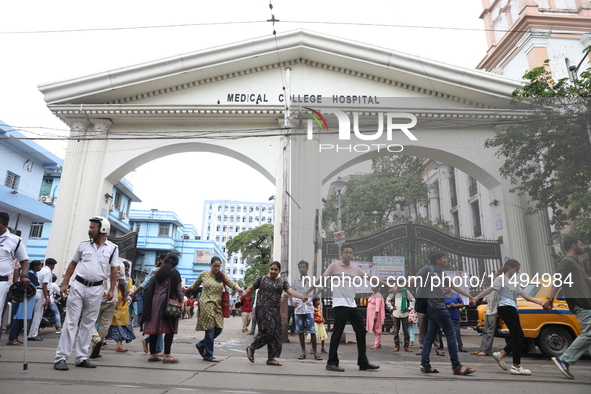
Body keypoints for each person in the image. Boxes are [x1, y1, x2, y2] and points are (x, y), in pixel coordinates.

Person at [54, 216, 119, 371]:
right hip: (78, 286)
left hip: (97, 289)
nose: (89, 230)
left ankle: (82, 357)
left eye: (92, 228)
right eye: (90, 227)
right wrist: (65, 283)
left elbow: (114, 269)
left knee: (88, 323)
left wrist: (111, 290)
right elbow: (73, 263)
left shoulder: (113, 248)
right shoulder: (83, 245)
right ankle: (61, 357)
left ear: (102, 229)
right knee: (71, 322)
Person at [308, 244, 382, 372]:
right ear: (341, 254)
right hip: (340, 304)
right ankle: (331, 362)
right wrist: (306, 292)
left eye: (350, 253)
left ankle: (363, 362)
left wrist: (390, 284)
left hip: (352, 305)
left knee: (361, 331)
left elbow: (371, 278)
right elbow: (321, 279)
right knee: (337, 332)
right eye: (346, 252)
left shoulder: (355, 269)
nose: (348, 255)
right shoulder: (334, 266)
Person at [474, 259, 545, 375]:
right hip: (505, 308)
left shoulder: (514, 282)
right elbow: (489, 289)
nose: (518, 272)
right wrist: (476, 298)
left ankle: (503, 354)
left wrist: (541, 303)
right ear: (509, 267)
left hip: (512, 309)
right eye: (516, 269)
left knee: (518, 336)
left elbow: (526, 296)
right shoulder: (501, 279)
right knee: (518, 336)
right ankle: (515, 365)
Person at [418, 251, 475, 375]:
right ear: (438, 260)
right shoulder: (428, 269)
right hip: (437, 307)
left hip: (434, 308)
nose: (446, 259)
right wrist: (398, 285)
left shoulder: (440, 273)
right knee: (451, 334)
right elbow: (415, 279)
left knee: (430, 336)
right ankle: (456, 366)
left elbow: (454, 286)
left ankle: (425, 364)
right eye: (444, 258)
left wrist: (470, 296)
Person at [542, 237, 591, 379]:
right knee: (590, 332)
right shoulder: (567, 261)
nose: (583, 247)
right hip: (580, 303)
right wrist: (550, 300)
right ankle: (564, 359)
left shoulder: (576, 263)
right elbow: (557, 281)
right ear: (574, 245)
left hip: (586, 303)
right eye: (581, 244)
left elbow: (586, 284)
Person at [244, 261, 308, 366]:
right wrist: (243, 295)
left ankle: (271, 358)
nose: (273, 271)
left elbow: (290, 291)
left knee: (276, 334)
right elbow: (251, 288)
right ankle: (252, 348)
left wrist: (302, 296)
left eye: (276, 270)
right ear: (269, 269)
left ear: (279, 271)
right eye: (271, 269)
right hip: (263, 308)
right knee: (268, 330)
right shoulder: (262, 279)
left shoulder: (282, 281)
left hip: (275, 310)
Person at [186, 256, 244, 362]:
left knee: (219, 328)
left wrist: (240, 289)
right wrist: (187, 289)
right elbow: (195, 285)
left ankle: (201, 344)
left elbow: (231, 283)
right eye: (215, 266)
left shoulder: (221, 275)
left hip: (218, 305)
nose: (217, 268)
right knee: (210, 329)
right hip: (206, 304)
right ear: (210, 265)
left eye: (218, 266)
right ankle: (208, 354)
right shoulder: (204, 274)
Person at [141, 253, 184, 363]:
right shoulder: (175, 273)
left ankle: (152, 354)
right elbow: (179, 290)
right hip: (168, 302)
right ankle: (167, 355)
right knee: (170, 328)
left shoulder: (158, 272)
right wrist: (182, 301)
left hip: (154, 301)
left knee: (154, 328)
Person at [0, 211, 30, 349]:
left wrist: (24, 276)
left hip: (2, 282)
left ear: (4, 224)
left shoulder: (15, 240)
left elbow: (24, 260)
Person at [89, 259, 126, 359]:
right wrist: (124, 295)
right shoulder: (120, 264)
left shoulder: (98, 261)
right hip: (112, 296)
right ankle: (97, 345)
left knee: (88, 321)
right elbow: (122, 283)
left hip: (97, 295)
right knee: (105, 324)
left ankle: (96, 340)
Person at [290, 260, 323, 360]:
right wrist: (292, 302)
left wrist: (313, 297)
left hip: (309, 308)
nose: (302, 269)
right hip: (298, 309)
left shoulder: (312, 279)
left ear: (307, 268)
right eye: (300, 267)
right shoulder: (295, 281)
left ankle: (315, 352)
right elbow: (289, 291)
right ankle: (303, 352)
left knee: (312, 331)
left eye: (304, 267)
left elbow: (321, 287)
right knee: (300, 331)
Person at [106, 260, 136, 352]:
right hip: (112, 300)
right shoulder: (111, 276)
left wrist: (131, 293)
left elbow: (130, 289)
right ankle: (101, 342)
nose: (125, 272)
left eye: (127, 270)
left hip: (123, 303)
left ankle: (119, 344)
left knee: (121, 325)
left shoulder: (129, 279)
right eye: (125, 270)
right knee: (106, 323)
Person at [472, 276, 497, 356]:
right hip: (488, 311)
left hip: (494, 312)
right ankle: (482, 349)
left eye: (485, 281)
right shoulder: (488, 290)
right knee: (485, 331)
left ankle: (486, 350)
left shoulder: (495, 290)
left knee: (490, 332)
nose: (485, 283)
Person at [386, 285, 415, 352]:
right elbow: (388, 300)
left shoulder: (406, 291)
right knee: (396, 331)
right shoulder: (394, 292)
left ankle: (406, 346)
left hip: (405, 313)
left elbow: (413, 300)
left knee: (406, 331)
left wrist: (409, 308)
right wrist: (391, 307)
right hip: (396, 313)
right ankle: (397, 346)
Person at [444, 286, 466, 352]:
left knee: (457, 332)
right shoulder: (442, 296)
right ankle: (451, 347)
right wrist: (447, 306)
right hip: (445, 316)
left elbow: (462, 304)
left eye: (446, 287)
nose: (445, 288)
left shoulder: (456, 295)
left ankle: (460, 346)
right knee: (448, 333)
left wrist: (455, 305)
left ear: (450, 287)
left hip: (455, 316)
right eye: (444, 287)